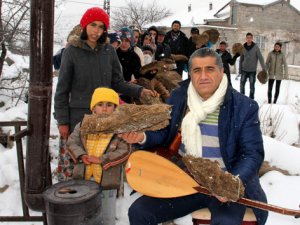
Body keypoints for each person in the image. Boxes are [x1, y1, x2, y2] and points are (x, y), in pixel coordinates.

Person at [121, 47, 268, 225]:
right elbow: (165, 132)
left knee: (226, 221)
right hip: (185, 181)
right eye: (197, 70)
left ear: (221, 72)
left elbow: (252, 153)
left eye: (210, 69)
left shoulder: (244, 107)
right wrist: (142, 137)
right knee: (139, 212)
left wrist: (231, 182)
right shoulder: (180, 98)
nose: (203, 76)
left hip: (225, 185)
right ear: (190, 73)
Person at [54, 7, 154, 180]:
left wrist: (140, 91)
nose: (97, 31)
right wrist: (62, 121)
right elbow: (62, 90)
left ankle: (100, 202)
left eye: (101, 27)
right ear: (85, 25)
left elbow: (118, 82)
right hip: (79, 117)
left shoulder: (109, 52)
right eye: (93, 25)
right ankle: (70, 202)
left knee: (101, 164)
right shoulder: (71, 51)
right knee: (75, 166)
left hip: (106, 117)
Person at [67, 87, 131, 225]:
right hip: (85, 179)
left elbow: (125, 150)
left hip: (107, 181)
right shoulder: (83, 125)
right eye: (100, 104)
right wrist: (81, 155)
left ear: (115, 108)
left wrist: (102, 159)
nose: (104, 109)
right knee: (85, 214)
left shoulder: (120, 128)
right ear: (93, 108)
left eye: (109, 105)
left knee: (107, 215)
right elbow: (72, 143)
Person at [239, 32, 266, 99]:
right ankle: (242, 98)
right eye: (247, 38)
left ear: (252, 38)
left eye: (250, 38)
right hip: (244, 69)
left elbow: (260, 57)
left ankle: (251, 99)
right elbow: (241, 59)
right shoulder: (243, 47)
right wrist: (240, 69)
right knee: (242, 85)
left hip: (252, 70)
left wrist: (264, 68)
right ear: (246, 38)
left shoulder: (256, 47)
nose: (249, 39)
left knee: (252, 86)